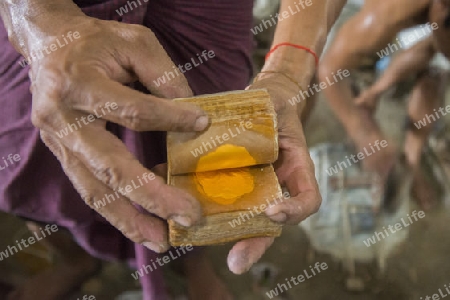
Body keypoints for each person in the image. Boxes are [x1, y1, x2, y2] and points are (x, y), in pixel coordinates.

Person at [0, 0, 347, 299]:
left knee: (197, 169)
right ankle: (76, 260)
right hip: (42, 17)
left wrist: (288, 70)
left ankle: (194, 262)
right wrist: (37, 20)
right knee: (36, 171)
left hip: (201, 18)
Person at [318, 0, 448, 209]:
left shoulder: (439, 21)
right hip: (377, 15)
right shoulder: (387, 15)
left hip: (432, 23)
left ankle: (411, 160)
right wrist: (363, 135)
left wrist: (378, 89)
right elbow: (329, 70)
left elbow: (429, 49)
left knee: (435, 72)